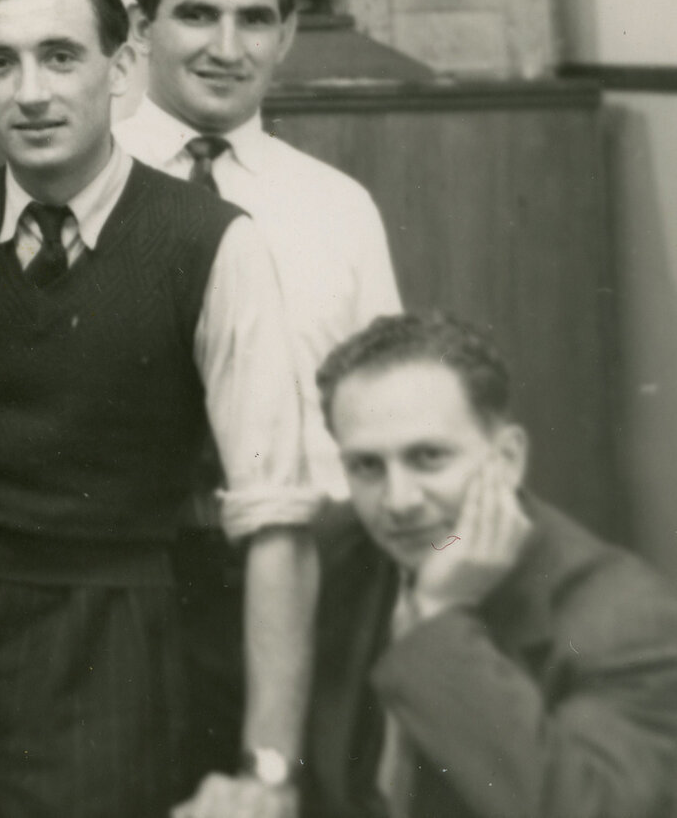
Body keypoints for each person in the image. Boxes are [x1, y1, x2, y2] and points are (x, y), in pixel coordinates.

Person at [0, 0, 320, 818]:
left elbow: (276, 516)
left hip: (134, 645)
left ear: (120, 69)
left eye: (60, 57)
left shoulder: (211, 242)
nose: (31, 92)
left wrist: (269, 768)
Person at [116, 0, 404, 782]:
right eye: (196, 14)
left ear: (285, 35)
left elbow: (385, 418)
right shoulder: (81, 185)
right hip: (139, 582)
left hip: (318, 575)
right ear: (140, 30)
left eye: (253, 20)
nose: (225, 46)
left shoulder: (337, 207)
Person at [289, 313, 677, 818]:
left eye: (428, 457)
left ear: (508, 458)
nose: (399, 500)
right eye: (366, 466)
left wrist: (438, 618)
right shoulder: (334, 554)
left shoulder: (625, 614)